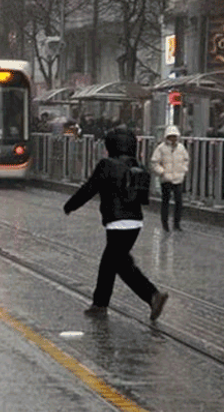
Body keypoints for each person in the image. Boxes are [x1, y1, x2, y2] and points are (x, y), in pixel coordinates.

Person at [63, 128, 169, 320]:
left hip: (116, 222)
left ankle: (150, 295)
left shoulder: (106, 165)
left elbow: (89, 188)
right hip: (135, 222)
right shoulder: (137, 165)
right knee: (115, 262)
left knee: (114, 264)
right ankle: (103, 303)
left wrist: (70, 205)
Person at [150, 125, 190, 231]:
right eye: (171, 136)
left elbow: (186, 159)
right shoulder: (161, 148)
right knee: (165, 202)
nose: (173, 138)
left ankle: (176, 223)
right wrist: (162, 172)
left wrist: (183, 170)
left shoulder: (181, 148)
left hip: (178, 178)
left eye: (174, 136)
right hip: (166, 179)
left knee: (179, 202)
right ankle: (165, 224)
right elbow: (154, 162)